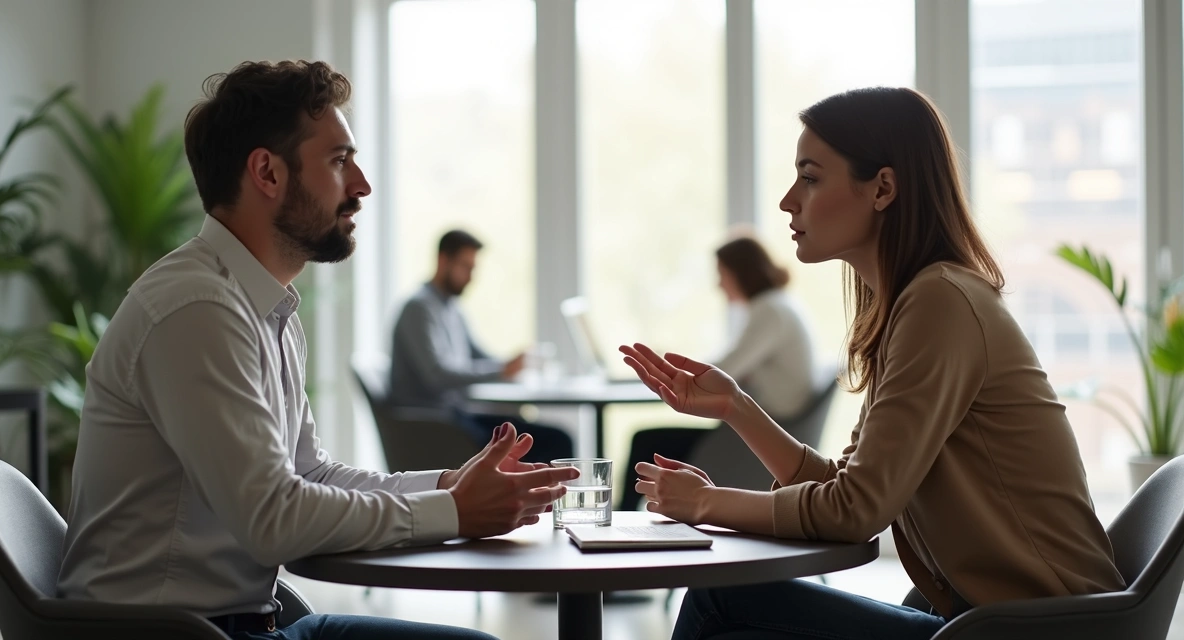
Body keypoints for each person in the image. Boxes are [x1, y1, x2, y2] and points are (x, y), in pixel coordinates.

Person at [57, 60, 579, 640]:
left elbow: (310, 474)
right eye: (338, 161)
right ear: (267, 173)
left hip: (242, 622)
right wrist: (454, 513)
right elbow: (274, 519)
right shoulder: (196, 309)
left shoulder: (263, 305)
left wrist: (448, 486)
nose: (361, 185)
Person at [620, 87, 1125, 640]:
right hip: (985, 620)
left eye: (810, 178)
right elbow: (847, 486)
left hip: (1039, 630)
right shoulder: (916, 302)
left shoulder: (941, 303)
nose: (789, 201)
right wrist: (737, 407)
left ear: (882, 188)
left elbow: (854, 511)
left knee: (720, 598)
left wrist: (708, 503)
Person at [619, 234, 819, 512]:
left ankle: (619, 521)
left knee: (645, 440)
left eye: (722, 274)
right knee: (649, 439)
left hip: (764, 432)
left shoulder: (770, 311)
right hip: (772, 423)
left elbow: (725, 370)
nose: (719, 284)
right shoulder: (778, 305)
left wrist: (664, 368)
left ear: (741, 273)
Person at [389, 230, 574, 464]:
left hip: (457, 416)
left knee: (545, 435)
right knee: (554, 441)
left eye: (473, 268)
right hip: (437, 426)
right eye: (466, 267)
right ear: (443, 260)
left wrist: (511, 365)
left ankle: (539, 500)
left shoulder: (451, 308)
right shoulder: (418, 308)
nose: (471, 276)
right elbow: (437, 375)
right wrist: (502, 370)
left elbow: (477, 355)